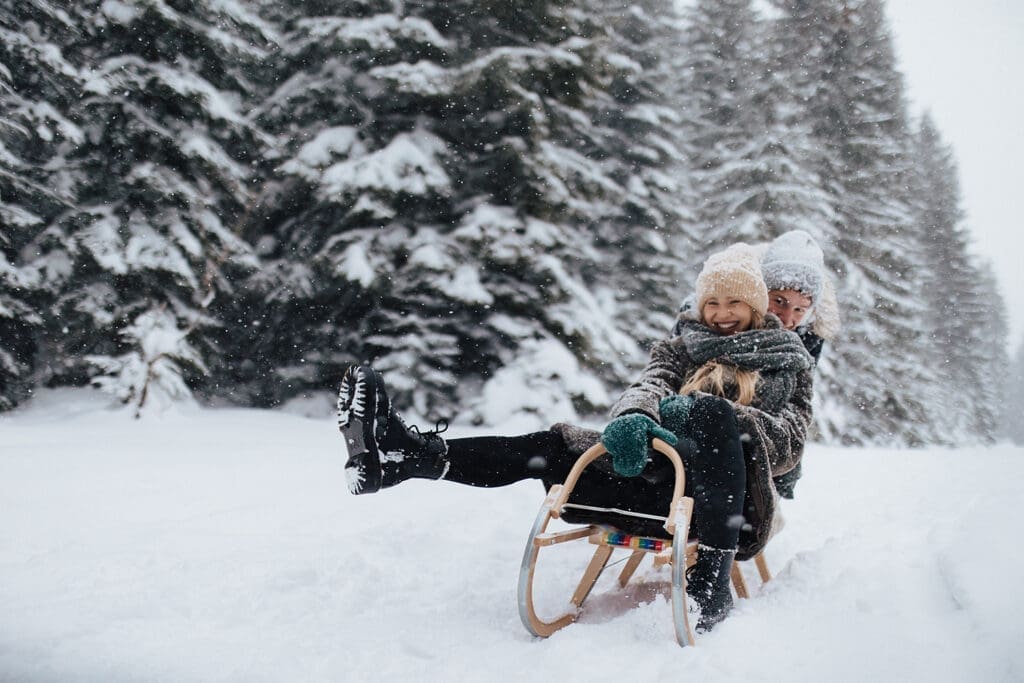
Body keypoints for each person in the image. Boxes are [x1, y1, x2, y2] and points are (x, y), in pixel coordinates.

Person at [337, 244, 814, 632]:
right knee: (552, 446)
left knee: (711, 414)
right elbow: (647, 386)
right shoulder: (679, 347)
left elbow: (790, 443)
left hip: (733, 505)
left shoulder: (789, 361)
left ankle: (710, 580)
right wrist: (634, 415)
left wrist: (714, 418)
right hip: (656, 485)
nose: (721, 313)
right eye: (712, 302)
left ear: (753, 307)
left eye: (733, 303)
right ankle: (407, 457)